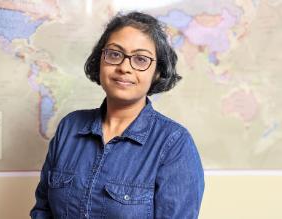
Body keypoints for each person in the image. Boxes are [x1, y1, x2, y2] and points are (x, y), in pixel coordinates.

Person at [30, 11, 204, 219]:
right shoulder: (70, 127)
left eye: (140, 59)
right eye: (114, 54)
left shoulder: (174, 143)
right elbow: (43, 211)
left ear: (157, 72)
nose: (124, 67)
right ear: (100, 60)